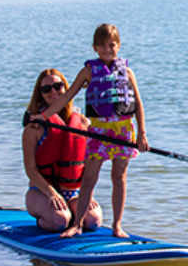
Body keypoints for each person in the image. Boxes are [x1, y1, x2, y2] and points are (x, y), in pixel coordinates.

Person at [37, 24, 148, 238]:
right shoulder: (89, 71)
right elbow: (67, 96)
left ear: (119, 46)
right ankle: (77, 224)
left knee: (119, 177)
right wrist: (42, 116)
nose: (108, 50)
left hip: (123, 131)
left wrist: (142, 134)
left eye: (112, 45)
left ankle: (117, 225)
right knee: (89, 178)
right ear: (95, 48)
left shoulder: (128, 71)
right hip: (99, 131)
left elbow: (139, 104)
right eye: (102, 46)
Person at [23, 68, 103, 232]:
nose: (53, 92)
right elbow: (30, 170)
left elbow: (90, 166)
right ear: (40, 94)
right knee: (59, 220)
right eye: (46, 89)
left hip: (73, 192)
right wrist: (52, 194)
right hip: (42, 191)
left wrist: (88, 194)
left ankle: (72, 215)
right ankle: (47, 221)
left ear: (66, 89)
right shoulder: (34, 128)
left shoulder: (83, 124)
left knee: (94, 220)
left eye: (58, 86)